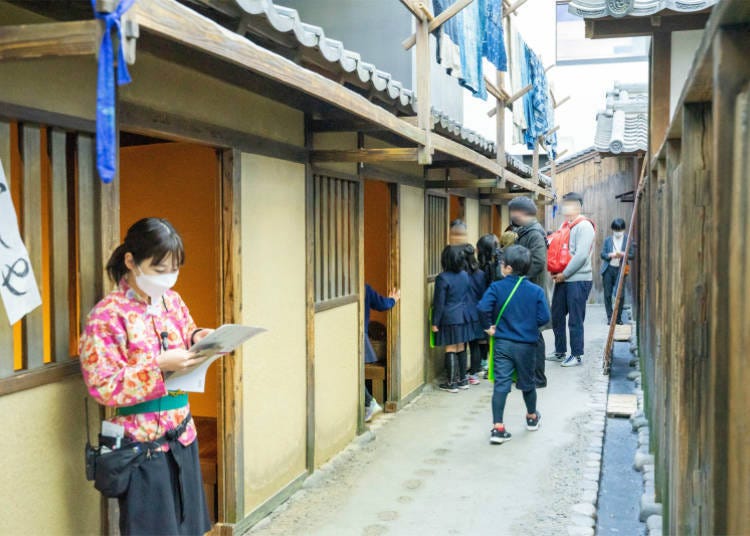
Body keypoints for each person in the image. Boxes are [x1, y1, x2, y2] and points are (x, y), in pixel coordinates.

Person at [80, 218, 212, 535]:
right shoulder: (107, 315)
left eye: (174, 268)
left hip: (183, 434)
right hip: (141, 447)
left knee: (189, 528)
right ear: (131, 261)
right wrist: (157, 366)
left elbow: (186, 332)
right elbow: (102, 386)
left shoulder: (173, 301)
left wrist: (198, 338)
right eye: (159, 268)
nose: (168, 278)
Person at [478, 245, 550, 444]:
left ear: (508, 268)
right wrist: (528, 326)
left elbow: (482, 307)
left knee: (501, 384)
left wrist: (488, 327)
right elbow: (544, 316)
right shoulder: (535, 291)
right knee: (527, 383)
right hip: (527, 345)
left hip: (502, 343)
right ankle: (532, 417)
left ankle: (498, 428)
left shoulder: (496, 287)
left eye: (502, 264)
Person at [548, 192, 596, 368]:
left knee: (575, 319)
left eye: (568, 204)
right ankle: (560, 351)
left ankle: (576, 354)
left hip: (578, 278)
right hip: (564, 278)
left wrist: (564, 274)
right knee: (557, 314)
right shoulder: (565, 225)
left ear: (578, 206)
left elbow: (581, 255)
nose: (565, 207)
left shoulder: (584, 226)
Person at [507, 196, 549, 388]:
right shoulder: (525, 232)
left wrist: (520, 277)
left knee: (534, 336)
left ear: (521, 213)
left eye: (513, 212)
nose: (511, 216)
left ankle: (538, 378)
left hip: (530, 290)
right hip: (526, 289)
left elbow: (539, 262)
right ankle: (531, 376)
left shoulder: (534, 234)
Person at [432, 245, 473, 393]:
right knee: (461, 346)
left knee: (450, 348)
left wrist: (435, 322)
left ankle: (451, 383)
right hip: (463, 316)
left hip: (449, 317)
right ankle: (462, 380)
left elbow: (439, 302)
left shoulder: (442, 278)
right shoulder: (464, 275)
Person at [364, 283, 400, 421]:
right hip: (361, 333)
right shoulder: (364, 287)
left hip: (353, 333)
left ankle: (369, 403)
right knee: (356, 374)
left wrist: (392, 300)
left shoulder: (343, 286)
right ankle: (368, 404)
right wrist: (392, 300)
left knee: (355, 374)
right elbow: (381, 304)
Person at [600, 218, 634, 325]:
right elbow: (602, 254)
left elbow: (632, 255)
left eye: (620, 230)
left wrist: (623, 254)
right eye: (616, 230)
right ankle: (610, 318)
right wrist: (610, 255)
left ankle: (618, 318)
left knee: (620, 294)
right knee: (607, 294)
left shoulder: (628, 240)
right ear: (612, 230)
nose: (618, 233)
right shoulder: (608, 240)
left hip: (621, 269)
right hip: (608, 269)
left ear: (623, 230)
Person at [463, 244, 487, 385]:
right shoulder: (480, 273)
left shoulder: (461, 273)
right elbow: (483, 294)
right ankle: (474, 373)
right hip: (476, 311)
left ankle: (463, 374)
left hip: (464, 311)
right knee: (475, 344)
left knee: (462, 344)